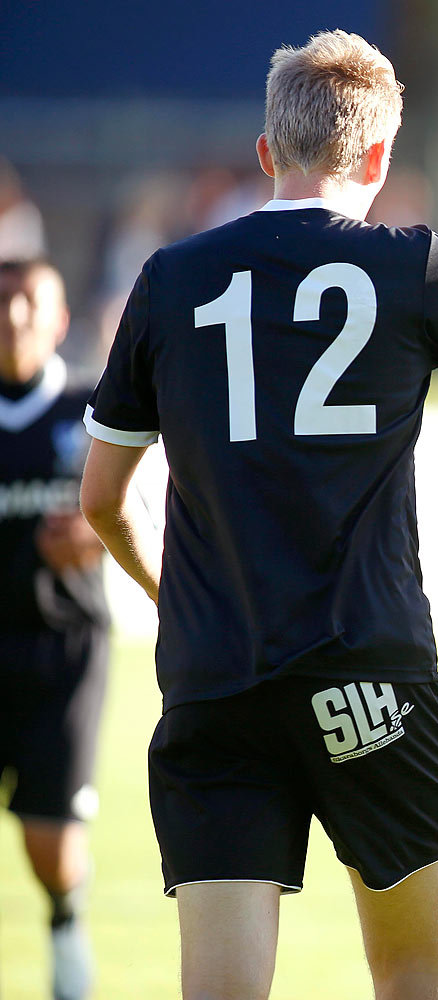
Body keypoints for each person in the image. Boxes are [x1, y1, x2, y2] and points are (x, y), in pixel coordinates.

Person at [78, 30, 438, 1000]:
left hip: (214, 675)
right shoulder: (421, 264)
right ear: (377, 157)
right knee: (411, 975)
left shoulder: (170, 277)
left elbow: (104, 498)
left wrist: (172, 590)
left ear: (265, 151)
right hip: (367, 670)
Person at [1, 259, 109, 1000]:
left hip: (63, 651)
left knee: (50, 844)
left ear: (59, 320)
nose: (13, 322)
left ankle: (65, 922)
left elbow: (156, 509)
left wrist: (100, 535)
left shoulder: (93, 409)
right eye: (3, 306)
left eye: (29, 306)